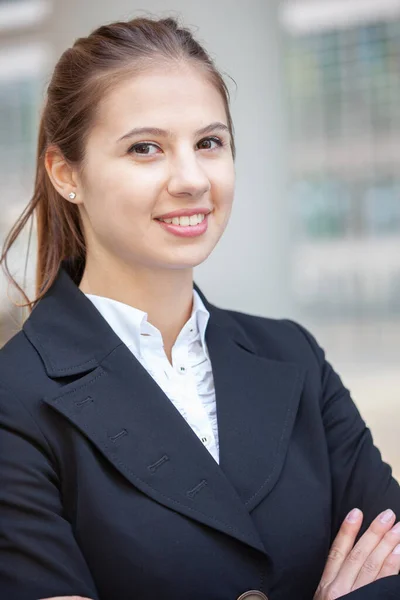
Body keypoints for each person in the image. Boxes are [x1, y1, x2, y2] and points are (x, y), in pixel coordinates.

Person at [0, 16, 400, 600]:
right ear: (67, 175)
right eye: (146, 148)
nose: (191, 179)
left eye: (209, 143)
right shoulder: (14, 400)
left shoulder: (293, 355)